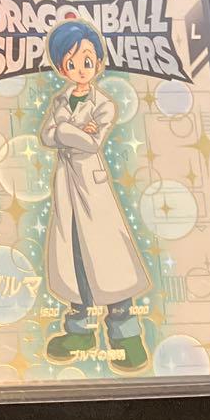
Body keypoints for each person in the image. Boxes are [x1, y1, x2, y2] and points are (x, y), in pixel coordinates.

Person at [39, 19, 151, 373]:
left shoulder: (104, 104)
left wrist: (65, 130)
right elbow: (46, 136)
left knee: (110, 259)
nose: (80, 69)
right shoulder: (61, 99)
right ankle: (80, 332)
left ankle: (126, 335)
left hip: (93, 187)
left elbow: (91, 142)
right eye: (71, 63)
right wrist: (71, 130)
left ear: (99, 62)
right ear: (62, 68)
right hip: (67, 189)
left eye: (87, 61)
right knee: (73, 259)